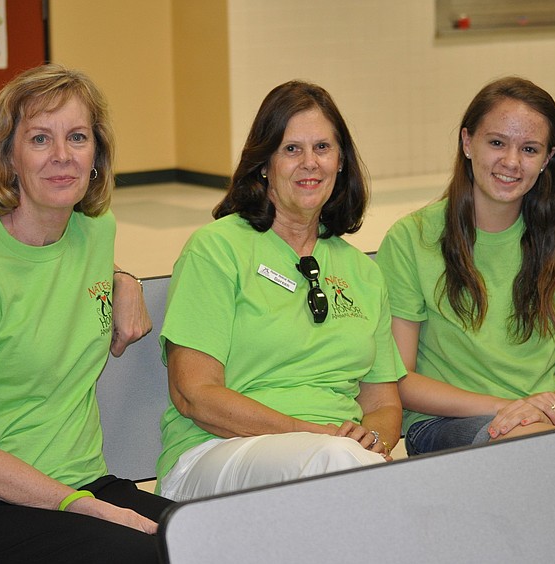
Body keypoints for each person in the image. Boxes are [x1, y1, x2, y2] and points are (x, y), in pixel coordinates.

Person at [0, 64, 172, 564]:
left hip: (80, 479)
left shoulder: (95, 230)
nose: (62, 156)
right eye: (40, 139)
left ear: (96, 156)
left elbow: (59, 268)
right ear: (9, 157)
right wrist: (81, 505)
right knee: (141, 556)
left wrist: (123, 280)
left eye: (77, 137)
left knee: (218, 536)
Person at [156, 80, 405, 500]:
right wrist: (321, 436)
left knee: (347, 473)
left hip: (338, 459)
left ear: (341, 161)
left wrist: (370, 441)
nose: (310, 163)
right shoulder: (217, 249)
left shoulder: (362, 273)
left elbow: (384, 404)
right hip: (218, 452)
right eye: (292, 149)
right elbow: (194, 395)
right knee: (343, 472)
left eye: (323, 148)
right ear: (264, 162)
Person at [374, 77, 555, 456]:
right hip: (445, 421)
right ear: (466, 142)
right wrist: (508, 410)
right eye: (496, 143)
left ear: (548, 158)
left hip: (544, 418)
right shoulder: (412, 238)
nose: (511, 161)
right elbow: (401, 378)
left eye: (529, 149)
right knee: (541, 452)